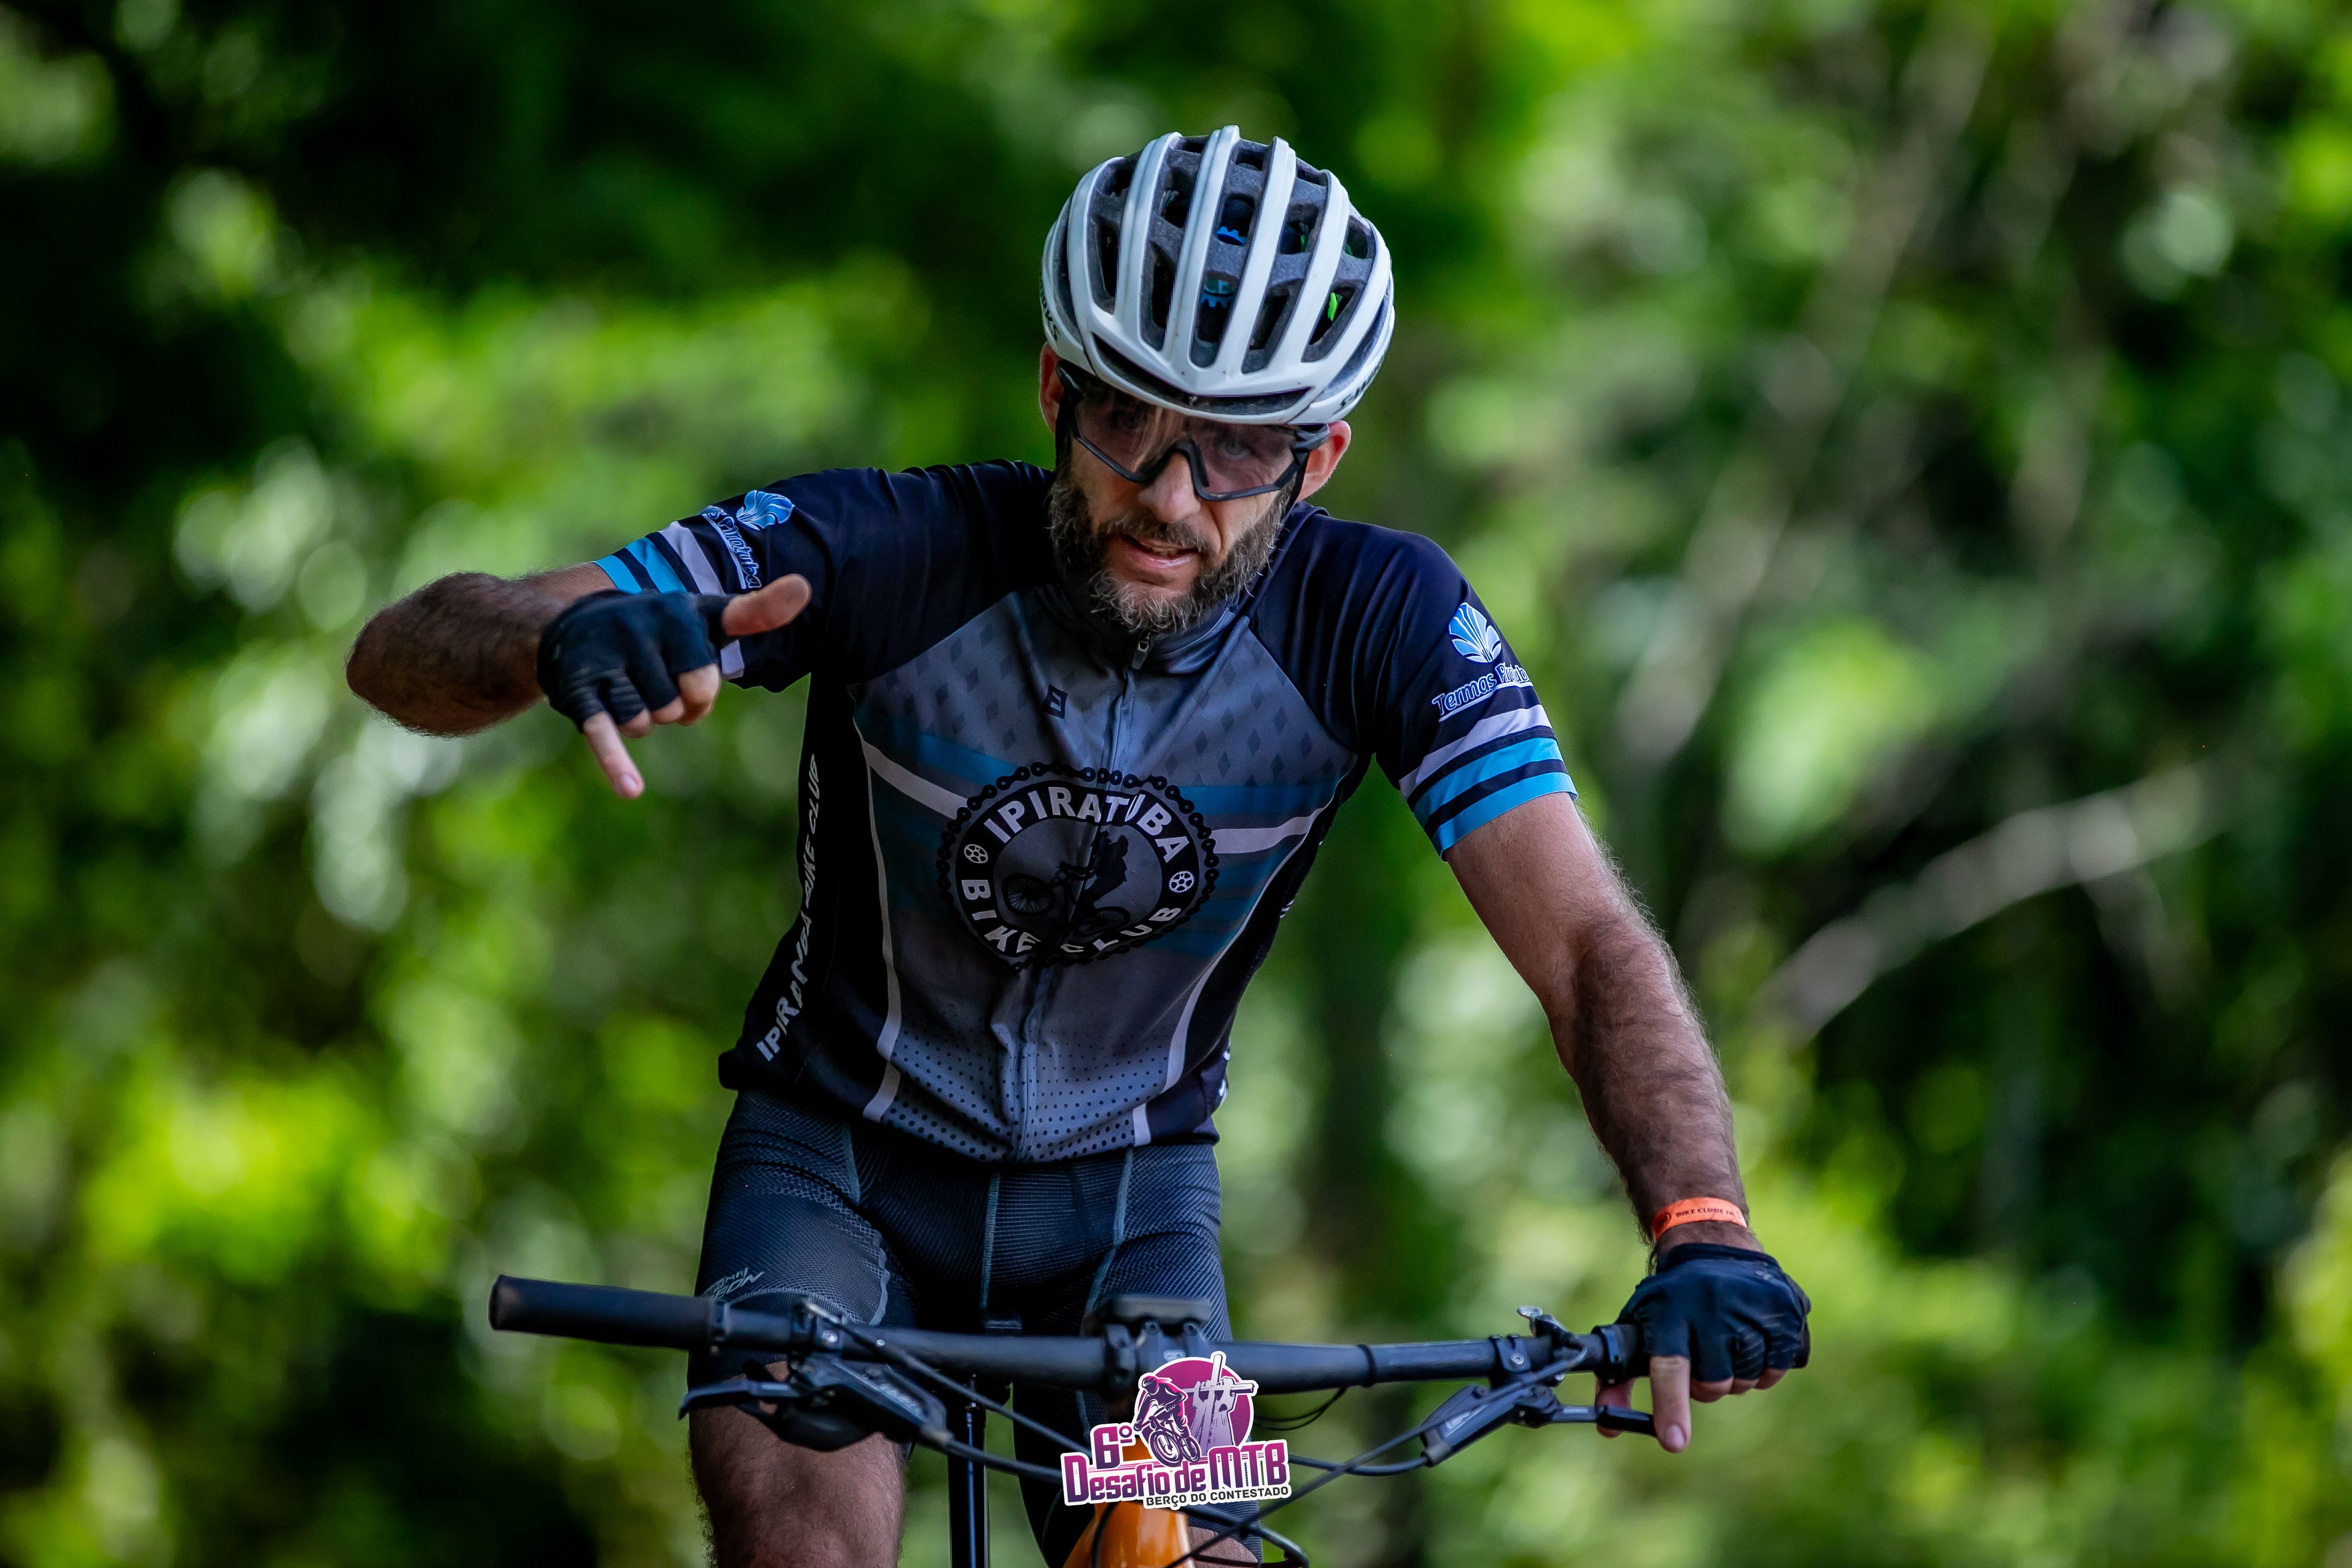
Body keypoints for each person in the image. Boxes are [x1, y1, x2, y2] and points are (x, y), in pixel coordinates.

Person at [347, 127, 1810, 1568]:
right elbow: (397, 654)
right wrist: (554, 640)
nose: (1171, 495)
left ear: (1319, 459)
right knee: (806, 1546)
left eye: (1239, 447)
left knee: (1192, 1565)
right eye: (1129, 423)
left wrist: (1702, 1224)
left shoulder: (1384, 622)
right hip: (834, 1171)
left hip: (1130, 1218)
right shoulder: (890, 550)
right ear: (1057, 389)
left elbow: (1586, 944)